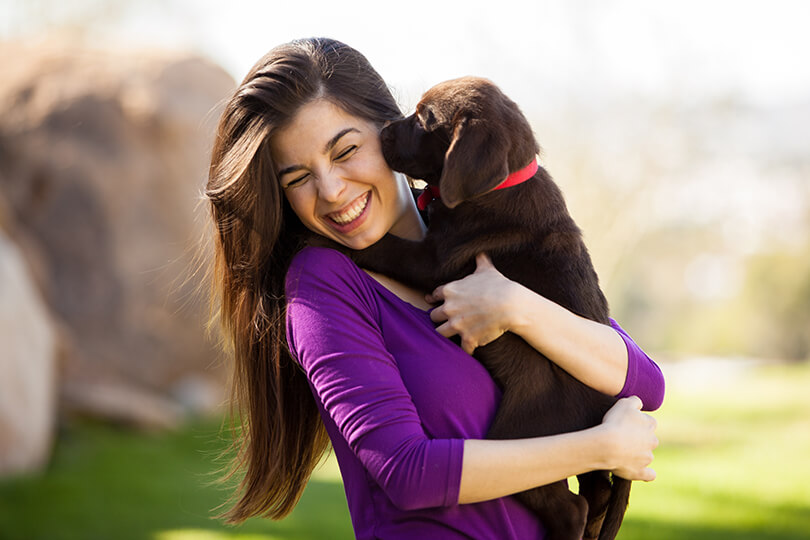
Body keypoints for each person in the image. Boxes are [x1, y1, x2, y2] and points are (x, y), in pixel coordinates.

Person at [205, 37, 664, 539]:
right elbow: (406, 473)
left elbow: (644, 382)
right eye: (298, 178)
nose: (331, 191)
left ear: (390, 126)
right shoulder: (324, 284)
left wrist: (514, 305)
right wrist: (600, 449)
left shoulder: (487, 235)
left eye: (346, 150)